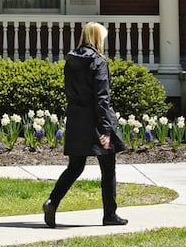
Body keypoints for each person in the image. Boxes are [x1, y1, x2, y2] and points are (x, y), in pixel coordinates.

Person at [43, 21, 128, 227]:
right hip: (97, 124)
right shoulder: (99, 62)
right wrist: (107, 128)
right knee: (108, 169)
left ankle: (52, 202)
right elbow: (101, 98)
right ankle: (110, 214)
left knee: (75, 167)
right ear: (97, 38)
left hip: (77, 120)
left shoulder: (71, 61)